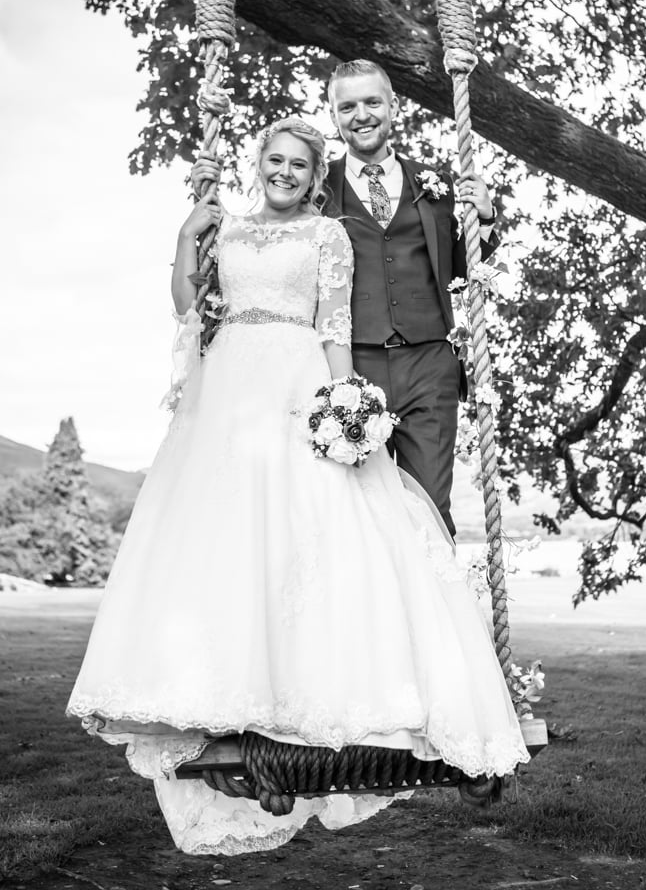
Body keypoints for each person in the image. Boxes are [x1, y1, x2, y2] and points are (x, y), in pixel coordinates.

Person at [67, 117, 528, 857]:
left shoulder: (327, 235)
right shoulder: (225, 225)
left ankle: (308, 689)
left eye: (298, 164)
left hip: (295, 379)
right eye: (273, 160)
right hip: (224, 394)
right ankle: (217, 689)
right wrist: (187, 236)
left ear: (317, 174)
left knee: (308, 535)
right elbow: (190, 310)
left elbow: (336, 325)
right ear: (260, 164)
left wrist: (344, 403)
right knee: (219, 534)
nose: (283, 171)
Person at [193, 60, 497, 538]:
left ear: (393, 106)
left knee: (430, 513)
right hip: (350, 366)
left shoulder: (436, 186)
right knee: (354, 516)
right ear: (334, 116)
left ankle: (431, 611)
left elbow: (465, 271)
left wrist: (486, 220)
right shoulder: (314, 185)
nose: (362, 115)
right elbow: (262, 240)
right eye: (347, 106)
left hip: (429, 367)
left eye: (372, 102)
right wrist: (205, 189)